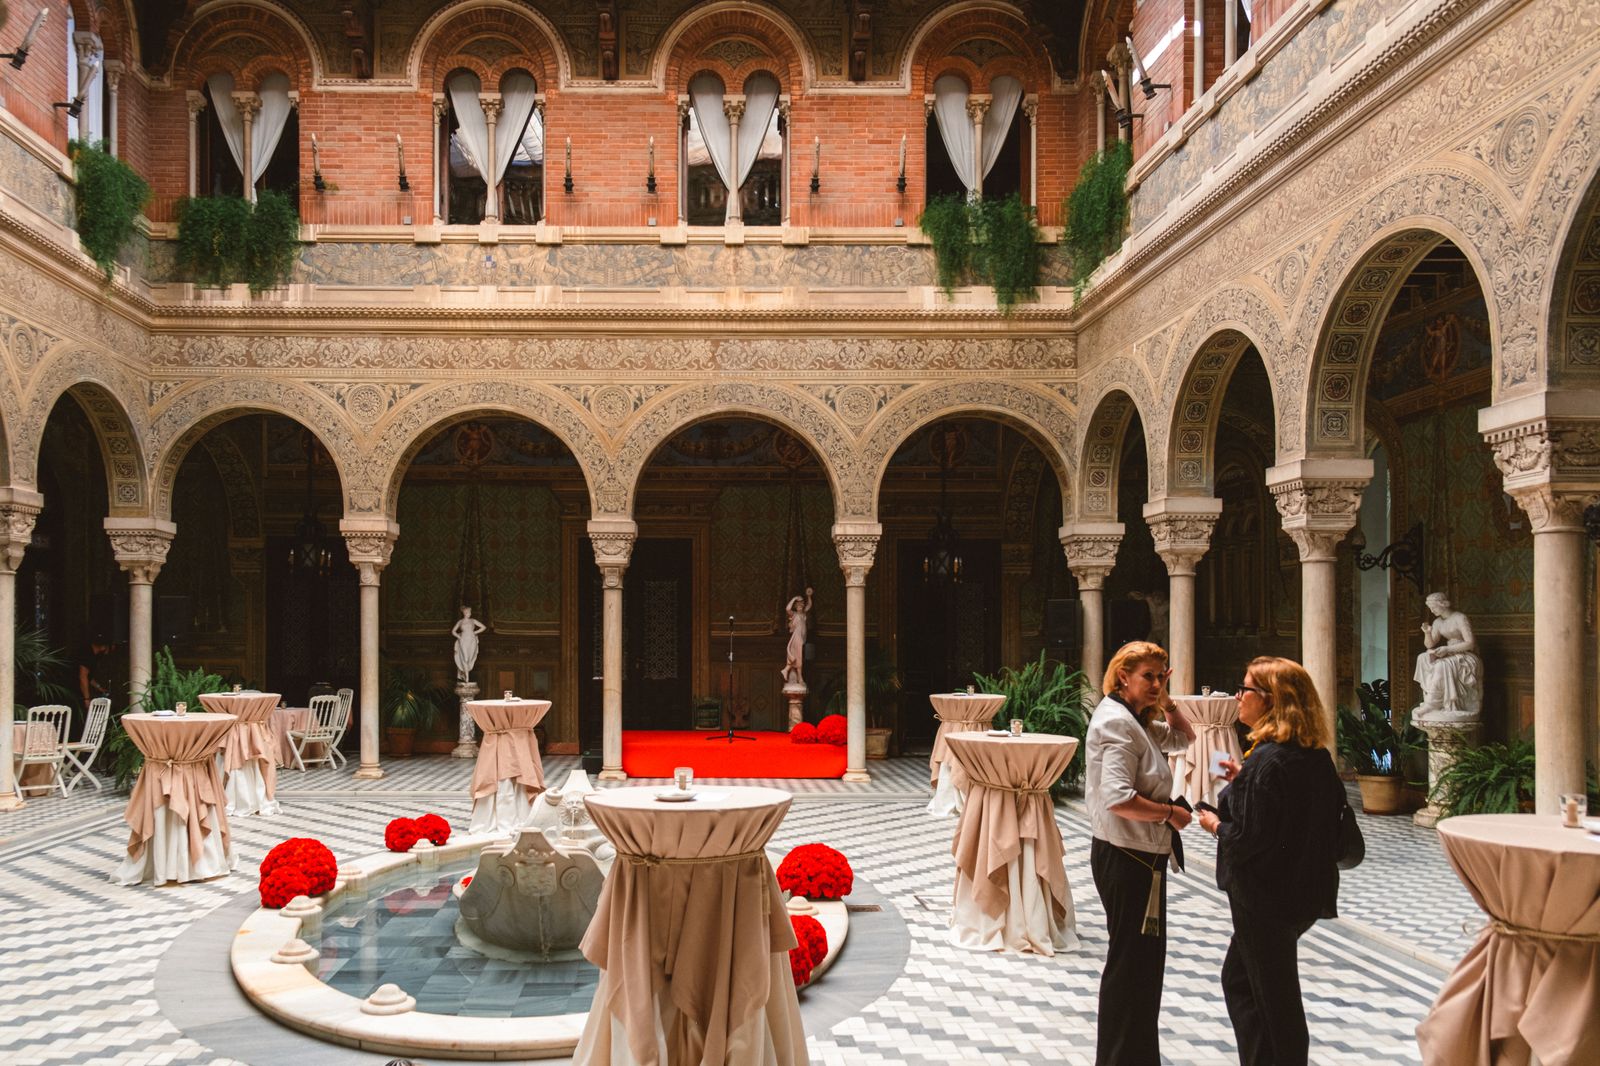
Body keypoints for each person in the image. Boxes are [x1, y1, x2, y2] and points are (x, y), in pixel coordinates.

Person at [1195, 656, 1345, 1066]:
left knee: (1274, 999)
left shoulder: (1268, 761)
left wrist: (1212, 823)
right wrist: (1242, 781)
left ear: (1271, 701)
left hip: (1265, 898)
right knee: (1243, 981)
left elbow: (1247, 840)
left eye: (1246, 690)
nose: (1238, 697)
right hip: (1302, 893)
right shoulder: (1312, 755)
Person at [1085, 640, 1196, 1066]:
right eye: (1147, 676)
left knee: (1145, 967)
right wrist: (1171, 814)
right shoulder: (1117, 723)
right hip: (1126, 858)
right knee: (1130, 965)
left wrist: (1166, 701)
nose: (1154, 683)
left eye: (1159, 676)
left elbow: (1186, 738)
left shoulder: (1140, 720)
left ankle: (1138, 1056)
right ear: (1122, 677)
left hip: (1140, 855)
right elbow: (1118, 797)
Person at [1412, 591, 1482, 723]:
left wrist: (1447, 649)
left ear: (1443, 604)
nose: (1432, 611)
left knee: (1442, 665)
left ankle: (1433, 703)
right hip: (1449, 654)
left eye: (1434, 607)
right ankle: (1430, 698)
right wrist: (1427, 633)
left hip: (1465, 656)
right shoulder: (1438, 622)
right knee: (1422, 658)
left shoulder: (1460, 618)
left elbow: (1470, 643)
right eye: (1430, 608)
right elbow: (1430, 644)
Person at [781, 587, 813, 686]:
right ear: (795, 606)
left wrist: (809, 596)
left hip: (802, 638)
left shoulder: (803, 614)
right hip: (797, 637)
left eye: (801, 605)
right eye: (798, 605)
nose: (800, 606)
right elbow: (787, 608)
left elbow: (809, 605)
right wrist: (794, 598)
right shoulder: (794, 614)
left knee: (798, 656)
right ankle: (800, 677)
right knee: (798, 657)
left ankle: (786, 669)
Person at [452, 606, 486, 682]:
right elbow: (453, 631)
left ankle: (465, 673)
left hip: (472, 640)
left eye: (470, 612)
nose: (470, 614)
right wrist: (459, 637)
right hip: (463, 639)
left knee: (470, 658)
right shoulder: (460, 622)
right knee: (465, 658)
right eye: (468, 612)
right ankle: (467, 678)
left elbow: (483, 627)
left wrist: (474, 632)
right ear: (465, 613)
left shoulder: (473, 620)